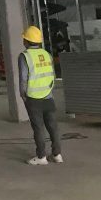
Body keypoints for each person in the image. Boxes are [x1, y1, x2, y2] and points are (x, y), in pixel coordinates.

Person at [20, 25, 62, 166]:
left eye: (24, 39)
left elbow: (23, 79)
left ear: (27, 41)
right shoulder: (47, 54)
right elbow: (53, 76)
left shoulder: (24, 56)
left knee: (38, 128)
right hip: (48, 96)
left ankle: (41, 157)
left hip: (33, 98)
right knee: (53, 126)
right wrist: (48, 91)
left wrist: (23, 95)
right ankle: (57, 155)